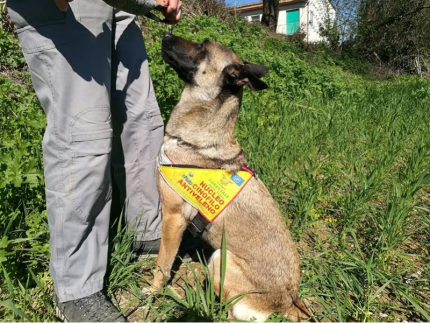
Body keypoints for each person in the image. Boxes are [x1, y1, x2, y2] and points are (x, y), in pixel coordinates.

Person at [6, 0, 181, 321]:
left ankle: (146, 235)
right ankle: (77, 291)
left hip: (121, 8)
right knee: (83, 136)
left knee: (141, 123)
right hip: (63, 8)